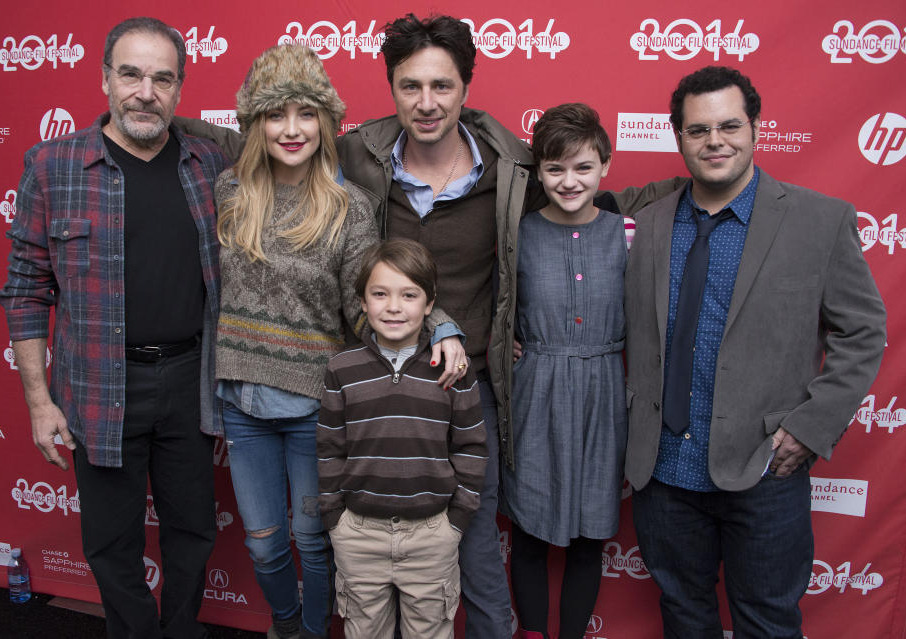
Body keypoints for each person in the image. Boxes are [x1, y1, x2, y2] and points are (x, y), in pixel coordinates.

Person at [176, 15, 676, 636]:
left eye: (442, 86)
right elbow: (258, 138)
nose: (427, 102)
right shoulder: (356, 154)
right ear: (390, 87)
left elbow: (581, 193)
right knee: (371, 533)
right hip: (374, 382)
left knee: (472, 526)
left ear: (466, 87)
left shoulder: (510, 164)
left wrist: (690, 188)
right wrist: (156, 115)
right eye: (411, 86)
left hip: (473, 378)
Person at [624, 66, 887, 638]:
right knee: (683, 617)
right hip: (664, 474)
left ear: (756, 128)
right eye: (697, 130)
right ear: (679, 138)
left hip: (765, 469)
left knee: (767, 623)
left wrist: (810, 427)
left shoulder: (820, 221)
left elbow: (863, 331)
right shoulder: (644, 223)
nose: (714, 141)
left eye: (728, 126)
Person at [0, 17, 227, 639]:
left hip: (190, 379)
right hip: (98, 383)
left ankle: (181, 630)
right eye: (130, 74)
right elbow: (24, 289)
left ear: (180, 88)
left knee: (193, 532)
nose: (145, 92)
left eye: (162, 78)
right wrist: (39, 402)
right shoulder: (53, 165)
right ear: (104, 79)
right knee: (109, 541)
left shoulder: (211, 160)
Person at [212, 45, 378, 639]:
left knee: (314, 540)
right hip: (242, 404)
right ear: (255, 124)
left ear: (327, 123)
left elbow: (367, 308)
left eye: (306, 113)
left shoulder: (349, 208)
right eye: (275, 114)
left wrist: (434, 330)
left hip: (315, 406)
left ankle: (312, 631)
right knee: (263, 543)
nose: (291, 129)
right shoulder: (229, 193)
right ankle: (285, 624)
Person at [501, 104, 632, 639]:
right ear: (538, 173)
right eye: (555, 169)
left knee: (589, 536)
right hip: (537, 389)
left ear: (605, 164)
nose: (569, 180)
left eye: (582, 167)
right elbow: (499, 302)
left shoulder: (626, 231)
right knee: (529, 533)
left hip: (603, 391)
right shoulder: (520, 233)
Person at [318, 238, 488, 639]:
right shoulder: (342, 369)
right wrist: (335, 520)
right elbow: (329, 449)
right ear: (362, 301)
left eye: (409, 295)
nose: (393, 307)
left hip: (431, 537)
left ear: (430, 305)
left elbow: (472, 447)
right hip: (359, 536)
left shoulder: (452, 370)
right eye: (380, 294)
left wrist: (456, 522)